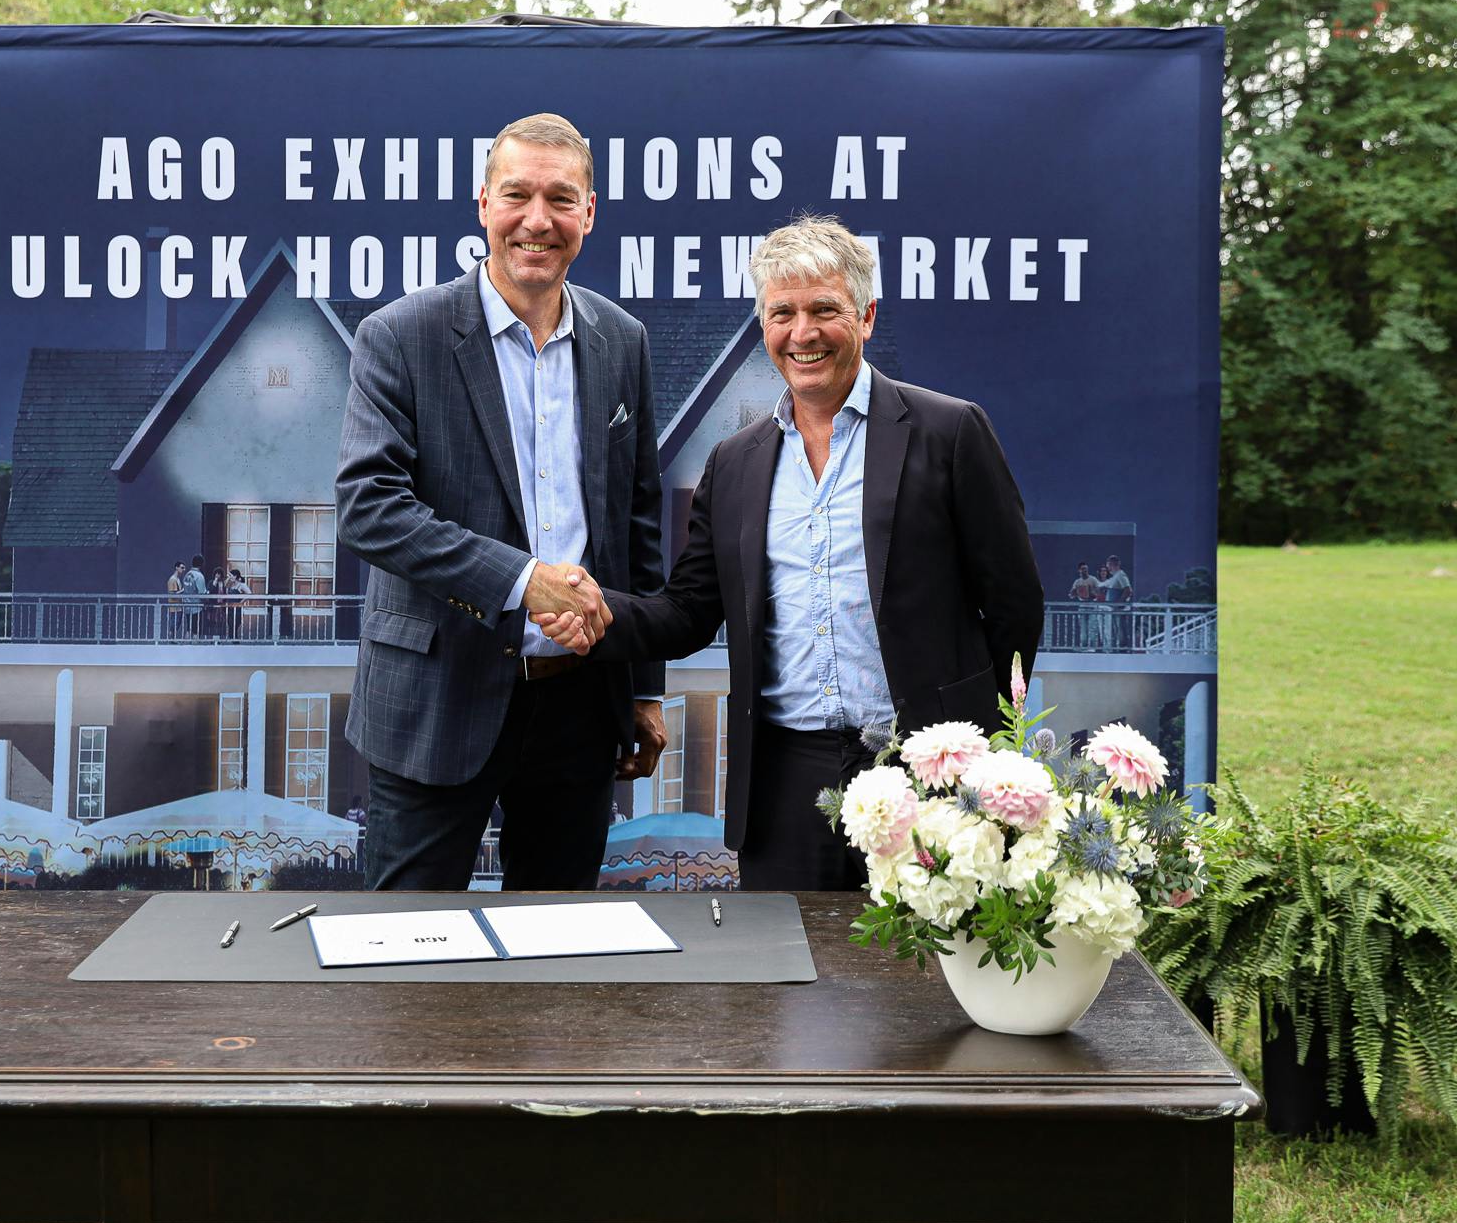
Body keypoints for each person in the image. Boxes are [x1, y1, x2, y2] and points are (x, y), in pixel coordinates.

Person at [537, 216, 1044, 892]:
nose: (802, 333)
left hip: (926, 771)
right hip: (782, 782)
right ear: (764, 324)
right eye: (783, 313)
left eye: (824, 310)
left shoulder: (948, 432)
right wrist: (602, 614)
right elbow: (689, 611)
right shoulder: (734, 463)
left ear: (864, 316)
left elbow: (1014, 604)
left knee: (922, 989)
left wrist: (982, 744)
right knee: (789, 989)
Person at [335, 111, 668, 895]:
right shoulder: (400, 336)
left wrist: (645, 688)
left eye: (561, 198)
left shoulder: (624, 341)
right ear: (483, 203)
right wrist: (525, 582)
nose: (537, 219)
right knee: (406, 964)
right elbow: (369, 505)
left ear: (589, 213)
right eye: (517, 194)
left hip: (580, 708)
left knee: (556, 975)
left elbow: (637, 524)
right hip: (433, 703)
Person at [1098, 553, 1133, 650]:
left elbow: (1128, 590)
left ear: (1112, 564)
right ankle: (1117, 647)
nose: (1107, 568)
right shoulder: (1114, 577)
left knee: (1120, 629)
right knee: (1116, 630)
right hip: (1112, 610)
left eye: (1108, 565)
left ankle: (1122, 648)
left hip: (1118, 610)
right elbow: (1103, 584)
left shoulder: (1120, 575)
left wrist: (1118, 604)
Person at [181, 554, 209, 638]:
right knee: (196, 629)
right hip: (196, 606)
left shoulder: (187, 575)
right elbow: (202, 593)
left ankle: (186, 645)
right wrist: (208, 593)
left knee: (189, 628)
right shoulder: (199, 576)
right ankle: (194, 645)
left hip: (187, 605)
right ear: (201, 564)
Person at [165, 561, 185, 640]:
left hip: (178, 606)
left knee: (177, 624)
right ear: (177, 567)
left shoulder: (177, 579)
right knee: (173, 625)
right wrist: (183, 590)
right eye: (182, 567)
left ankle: (172, 639)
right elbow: (172, 594)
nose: (183, 570)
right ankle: (171, 639)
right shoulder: (172, 580)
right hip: (174, 606)